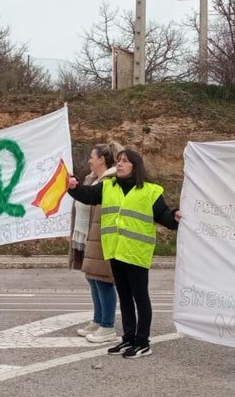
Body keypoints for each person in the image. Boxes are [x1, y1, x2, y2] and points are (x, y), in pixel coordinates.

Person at [68, 148, 181, 359]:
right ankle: (128, 338)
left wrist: (174, 215)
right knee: (125, 297)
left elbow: (163, 215)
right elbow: (87, 195)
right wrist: (73, 187)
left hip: (136, 252)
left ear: (135, 167)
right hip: (115, 250)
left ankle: (143, 341)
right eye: (119, 161)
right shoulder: (108, 186)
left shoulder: (150, 191)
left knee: (140, 297)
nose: (119, 164)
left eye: (125, 162)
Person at [69, 142, 122, 344]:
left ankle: (107, 326)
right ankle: (98, 320)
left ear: (102, 159)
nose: (90, 160)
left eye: (92, 156)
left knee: (104, 280)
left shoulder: (112, 180)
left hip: (103, 236)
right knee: (93, 278)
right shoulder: (92, 179)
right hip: (89, 236)